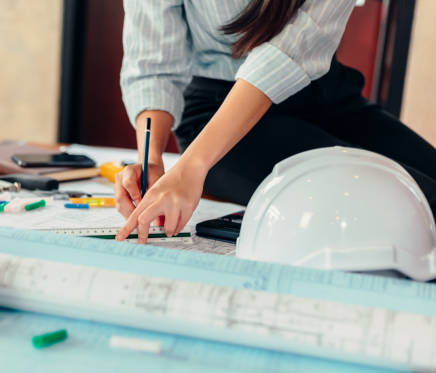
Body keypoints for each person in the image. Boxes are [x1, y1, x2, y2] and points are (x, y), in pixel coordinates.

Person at [114, 0, 436, 243]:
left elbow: (290, 51)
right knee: (409, 211)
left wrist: (190, 167)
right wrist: (152, 157)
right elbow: (153, 60)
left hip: (322, 91)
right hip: (217, 116)